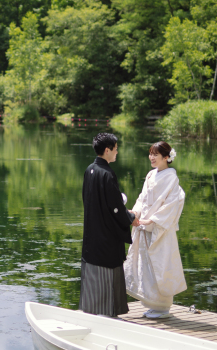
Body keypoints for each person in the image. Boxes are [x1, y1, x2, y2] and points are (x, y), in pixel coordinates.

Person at [124, 141, 187, 319]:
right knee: (146, 264)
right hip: (144, 225)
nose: (151, 157)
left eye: (155, 155)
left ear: (166, 157)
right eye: (150, 154)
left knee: (161, 264)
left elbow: (171, 204)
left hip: (160, 228)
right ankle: (152, 303)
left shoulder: (171, 178)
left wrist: (151, 220)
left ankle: (163, 307)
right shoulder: (151, 174)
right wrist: (135, 213)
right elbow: (142, 198)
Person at [79, 133, 138, 317]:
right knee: (107, 269)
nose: (117, 152)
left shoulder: (89, 169)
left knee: (92, 266)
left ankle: (91, 309)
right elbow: (116, 208)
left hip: (92, 232)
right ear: (107, 150)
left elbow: (88, 200)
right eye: (116, 148)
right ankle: (107, 313)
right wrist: (130, 217)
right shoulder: (107, 173)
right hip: (106, 235)